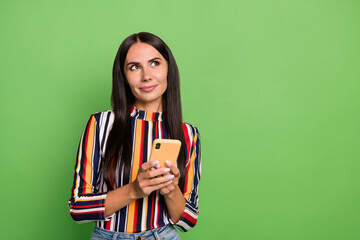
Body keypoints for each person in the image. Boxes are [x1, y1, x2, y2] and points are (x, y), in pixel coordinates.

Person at [68, 32, 201, 240]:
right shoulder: (102, 124)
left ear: (169, 69)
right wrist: (134, 190)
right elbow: (78, 208)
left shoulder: (188, 134)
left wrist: (171, 191)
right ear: (123, 75)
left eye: (155, 63)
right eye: (134, 67)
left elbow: (188, 220)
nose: (146, 75)